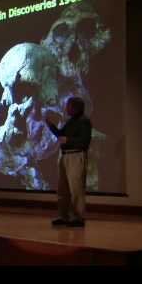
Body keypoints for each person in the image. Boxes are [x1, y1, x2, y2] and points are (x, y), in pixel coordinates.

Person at [46, 97, 92, 227]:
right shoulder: (71, 122)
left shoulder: (84, 122)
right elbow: (62, 136)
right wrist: (52, 128)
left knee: (76, 188)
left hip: (76, 156)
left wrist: (68, 140)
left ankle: (78, 217)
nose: (66, 108)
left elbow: (84, 142)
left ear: (76, 107)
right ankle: (64, 216)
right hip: (65, 156)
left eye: (68, 106)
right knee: (63, 189)